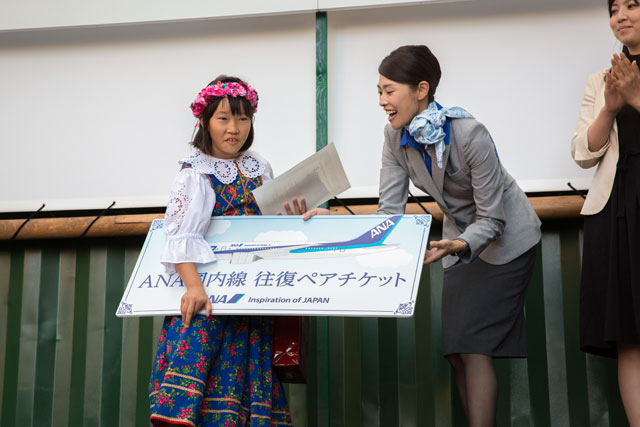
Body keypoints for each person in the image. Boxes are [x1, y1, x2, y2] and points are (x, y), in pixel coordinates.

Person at [300, 45, 541, 427]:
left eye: (389, 90)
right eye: (379, 91)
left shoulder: (470, 133)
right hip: (456, 243)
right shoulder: (393, 137)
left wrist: (459, 244)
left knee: (475, 347)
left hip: (505, 241)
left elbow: (493, 218)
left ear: (422, 89)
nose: (382, 101)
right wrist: (334, 221)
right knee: (457, 351)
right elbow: (389, 214)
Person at [148, 76, 292, 426]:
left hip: (250, 295)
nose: (234, 129)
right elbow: (180, 235)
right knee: (206, 379)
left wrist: (298, 214)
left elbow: (271, 223)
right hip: (209, 296)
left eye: (243, 119)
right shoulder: (195, 172)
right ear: (205, 121)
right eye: (223, 118)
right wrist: (194, 287)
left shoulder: (259, 167)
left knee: (246, 377)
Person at [571, 0, 640, 424]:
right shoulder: (600, 79)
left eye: (633, 4)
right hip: (616, 207)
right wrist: (611, 108)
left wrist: (636, 97)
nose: (621, 15)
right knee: (630, 335)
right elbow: (582, 153)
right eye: (614, 8)